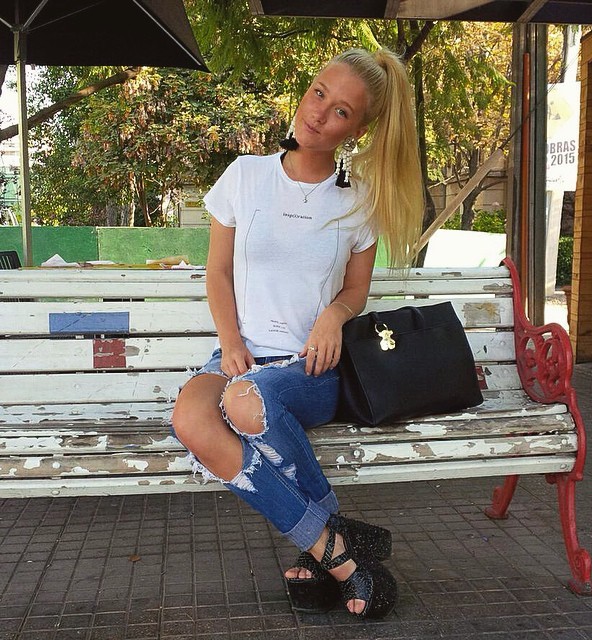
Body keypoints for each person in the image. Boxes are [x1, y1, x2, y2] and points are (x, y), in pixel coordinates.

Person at [171, 47, 425, 619]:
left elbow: (355, 291)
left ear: (357, 131)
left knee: (246, 400)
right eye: (318, 93)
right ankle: (335, 547)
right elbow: (218, 271)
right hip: (239, 356)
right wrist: (231, 341)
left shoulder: (360, 199)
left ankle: (334, 558)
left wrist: (333, 316)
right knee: (190, 418)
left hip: (309, 368)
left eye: (341, 111)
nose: (318, 113)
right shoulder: (245, 176)